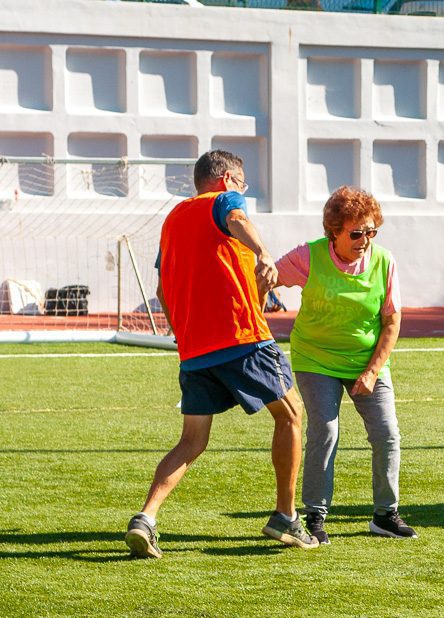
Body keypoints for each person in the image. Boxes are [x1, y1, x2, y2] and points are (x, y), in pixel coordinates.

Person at [124, 150, 318, 558]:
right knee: (291, 414)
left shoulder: (173, 219)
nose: (242, 193)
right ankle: (286, 516)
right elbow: (237, 219)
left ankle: (146, 518)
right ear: (228, 178)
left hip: (195, 351)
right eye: (242, 185)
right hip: (241, 337)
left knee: (191, 441)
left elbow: (162, 291)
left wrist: (184, 333)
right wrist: (264, 253)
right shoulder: (223, 201)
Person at [275, 185, 416, 541]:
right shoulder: (309, 256)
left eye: (371, 231)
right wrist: (258, 309)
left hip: (367, 362)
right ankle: (316, 517)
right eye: (356, 232)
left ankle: (386, 515)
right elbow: (266, 278)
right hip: (315, 359)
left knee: (387, 435)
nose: (365, 239)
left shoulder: (384, 261)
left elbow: (392, 322)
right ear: (334, 231)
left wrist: (371, 372)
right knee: (325, 430)